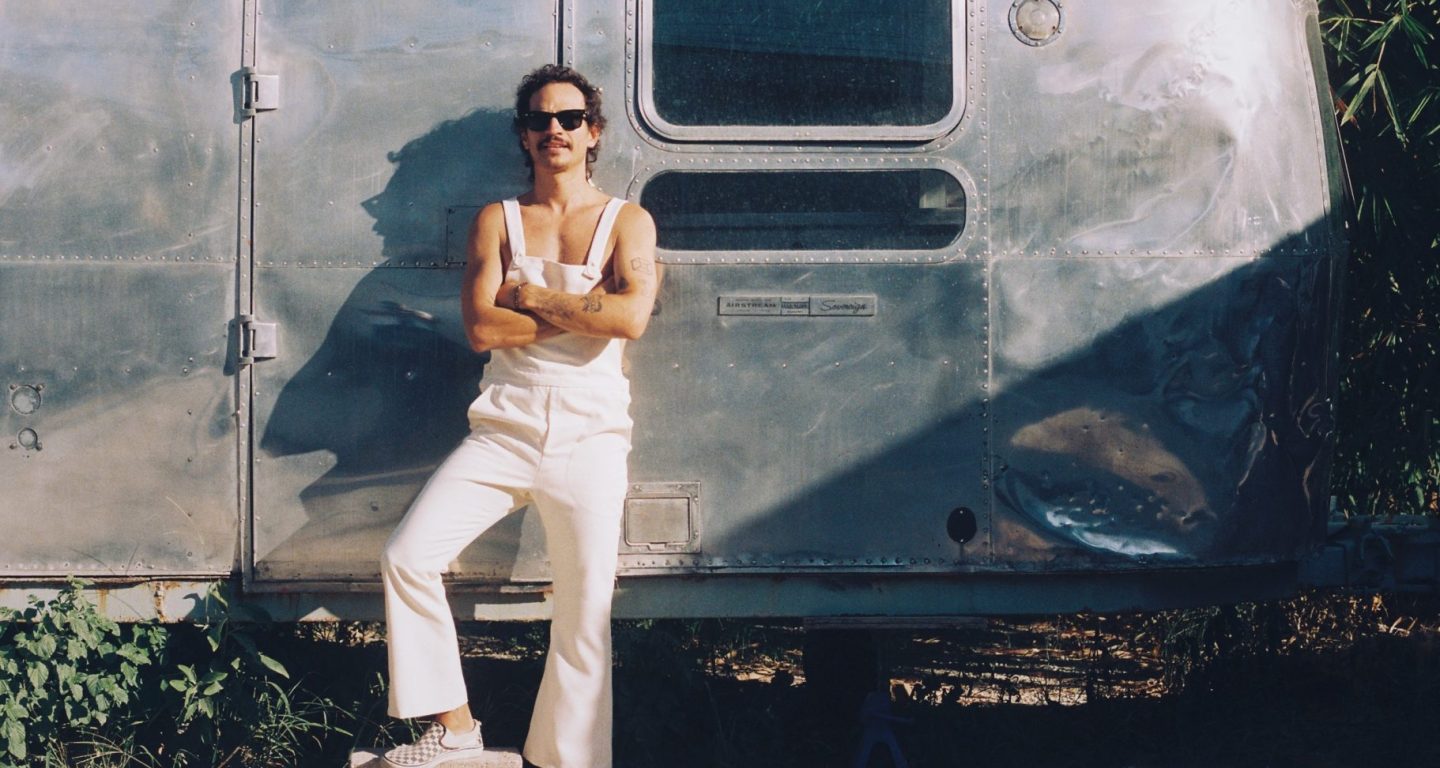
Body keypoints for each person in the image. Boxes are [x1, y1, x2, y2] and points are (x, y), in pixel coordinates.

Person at [378, 64, 660, 768]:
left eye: (569, 119)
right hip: (504, 429)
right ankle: (456, 728)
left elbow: (631, 318)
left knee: (584, 615)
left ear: (593, 132)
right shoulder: (497, 220)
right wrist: (588, 310)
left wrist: (530, 297)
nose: (554, 130)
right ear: (524, 135)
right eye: (539, 120)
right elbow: (482, 330)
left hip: (592, 437)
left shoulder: (626, 221)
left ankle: (567, 760)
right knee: (407, 557)